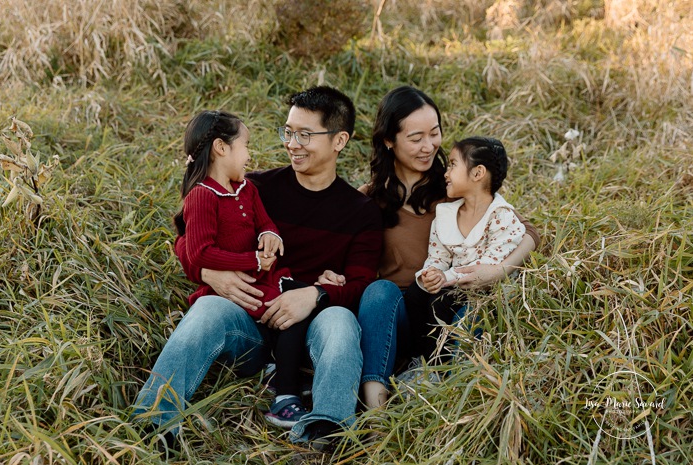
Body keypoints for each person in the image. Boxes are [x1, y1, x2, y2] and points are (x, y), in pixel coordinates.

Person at [132, 86, 383, 450]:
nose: (292, 143)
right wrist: (207, 274)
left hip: (312, 330)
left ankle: (328, 430)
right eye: (288, 131)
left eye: (305, 134)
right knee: (207, 307)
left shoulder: (360, 211)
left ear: (339, 140)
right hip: (250, 323)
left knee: (342, 321)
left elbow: (362, 282)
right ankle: (153, 422)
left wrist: (314, 294)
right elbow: (188, 237)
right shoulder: (255, 187)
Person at [319, 86, 540, 409]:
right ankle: (375, 413)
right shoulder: (369, 199)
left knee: (478, 305)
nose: (428, 146)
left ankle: (449, 393)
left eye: (434, 134)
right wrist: (330, 274)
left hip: (451, 309)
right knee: (380, 291)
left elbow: (528, 232)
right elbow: (337, 253)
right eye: (416, 137)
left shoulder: (456, 187)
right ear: (388, 141)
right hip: (396, 318)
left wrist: (498, 271)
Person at [172, 110, 313, 430]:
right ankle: (284, 392)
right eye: (246, 145)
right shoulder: (202, 196)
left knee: (303, 302)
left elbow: (263, 221)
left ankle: (282, 377)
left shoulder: (246, 188)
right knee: (289, 307)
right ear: (222, 148)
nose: (250, 155)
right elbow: (197, 250)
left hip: (264, 284)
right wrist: (252, 261)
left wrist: (269, 234)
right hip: (238, 297)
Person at [405, 136, 526, 360]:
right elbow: (438, 256)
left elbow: (488, 265)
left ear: (478, 173)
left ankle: (437, 365)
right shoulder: (446, 215)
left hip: (485, 290)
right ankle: (418, 358)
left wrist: (445, 277)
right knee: (415, 293)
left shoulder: (501, 216)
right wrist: (431, 273)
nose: (446, 173)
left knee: (439, 302)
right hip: (454, 284)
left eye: (452, 165)